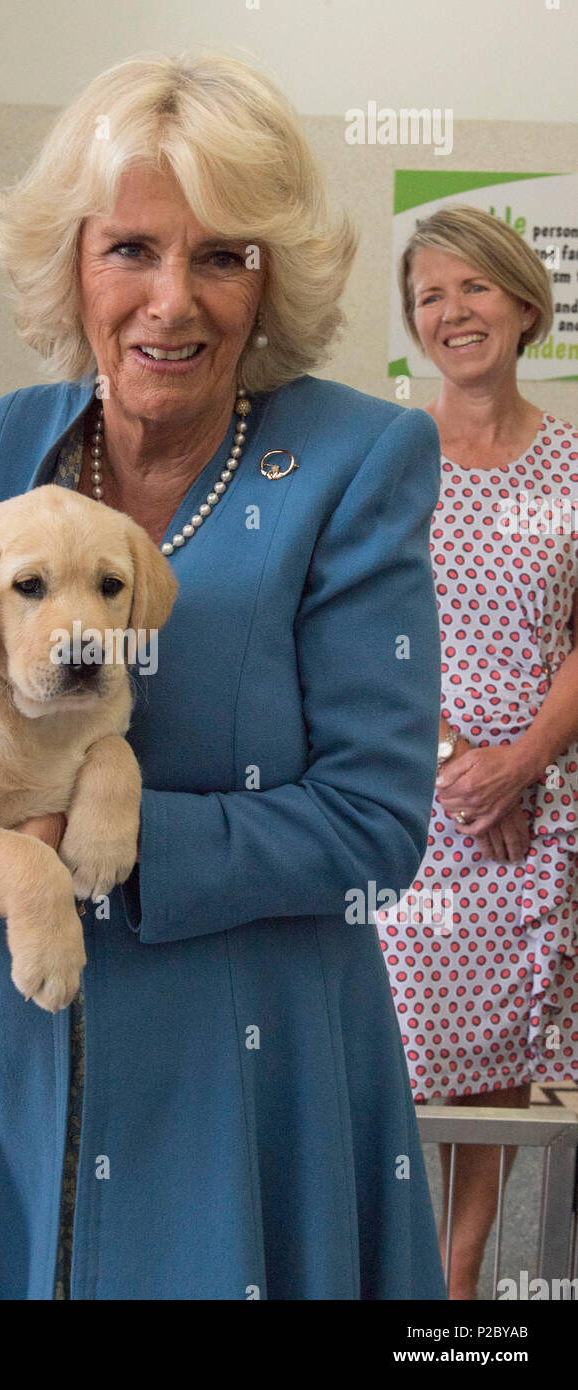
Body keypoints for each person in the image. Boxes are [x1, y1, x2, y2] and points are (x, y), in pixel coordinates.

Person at [0, 51, 448, 1300]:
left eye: (223, 255)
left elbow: (375, 819)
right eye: (132, 249)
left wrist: (92, 843)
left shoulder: (356, 462)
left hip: (242, 1091)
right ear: (73, 262)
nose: (173, 301)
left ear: (270, 278)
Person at [378, 205, 578, 1298]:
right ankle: (396, 1273)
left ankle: (456, 1287)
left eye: (473, 288)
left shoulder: (574, 465)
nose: (453, 311)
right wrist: (461, 763)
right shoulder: (389, 460)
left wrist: (522, 763)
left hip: (534, 816)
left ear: (522, 303)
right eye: (430, 297)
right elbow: (361, 632)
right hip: (410, 808)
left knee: (501, 1069)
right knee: (404, 1063)